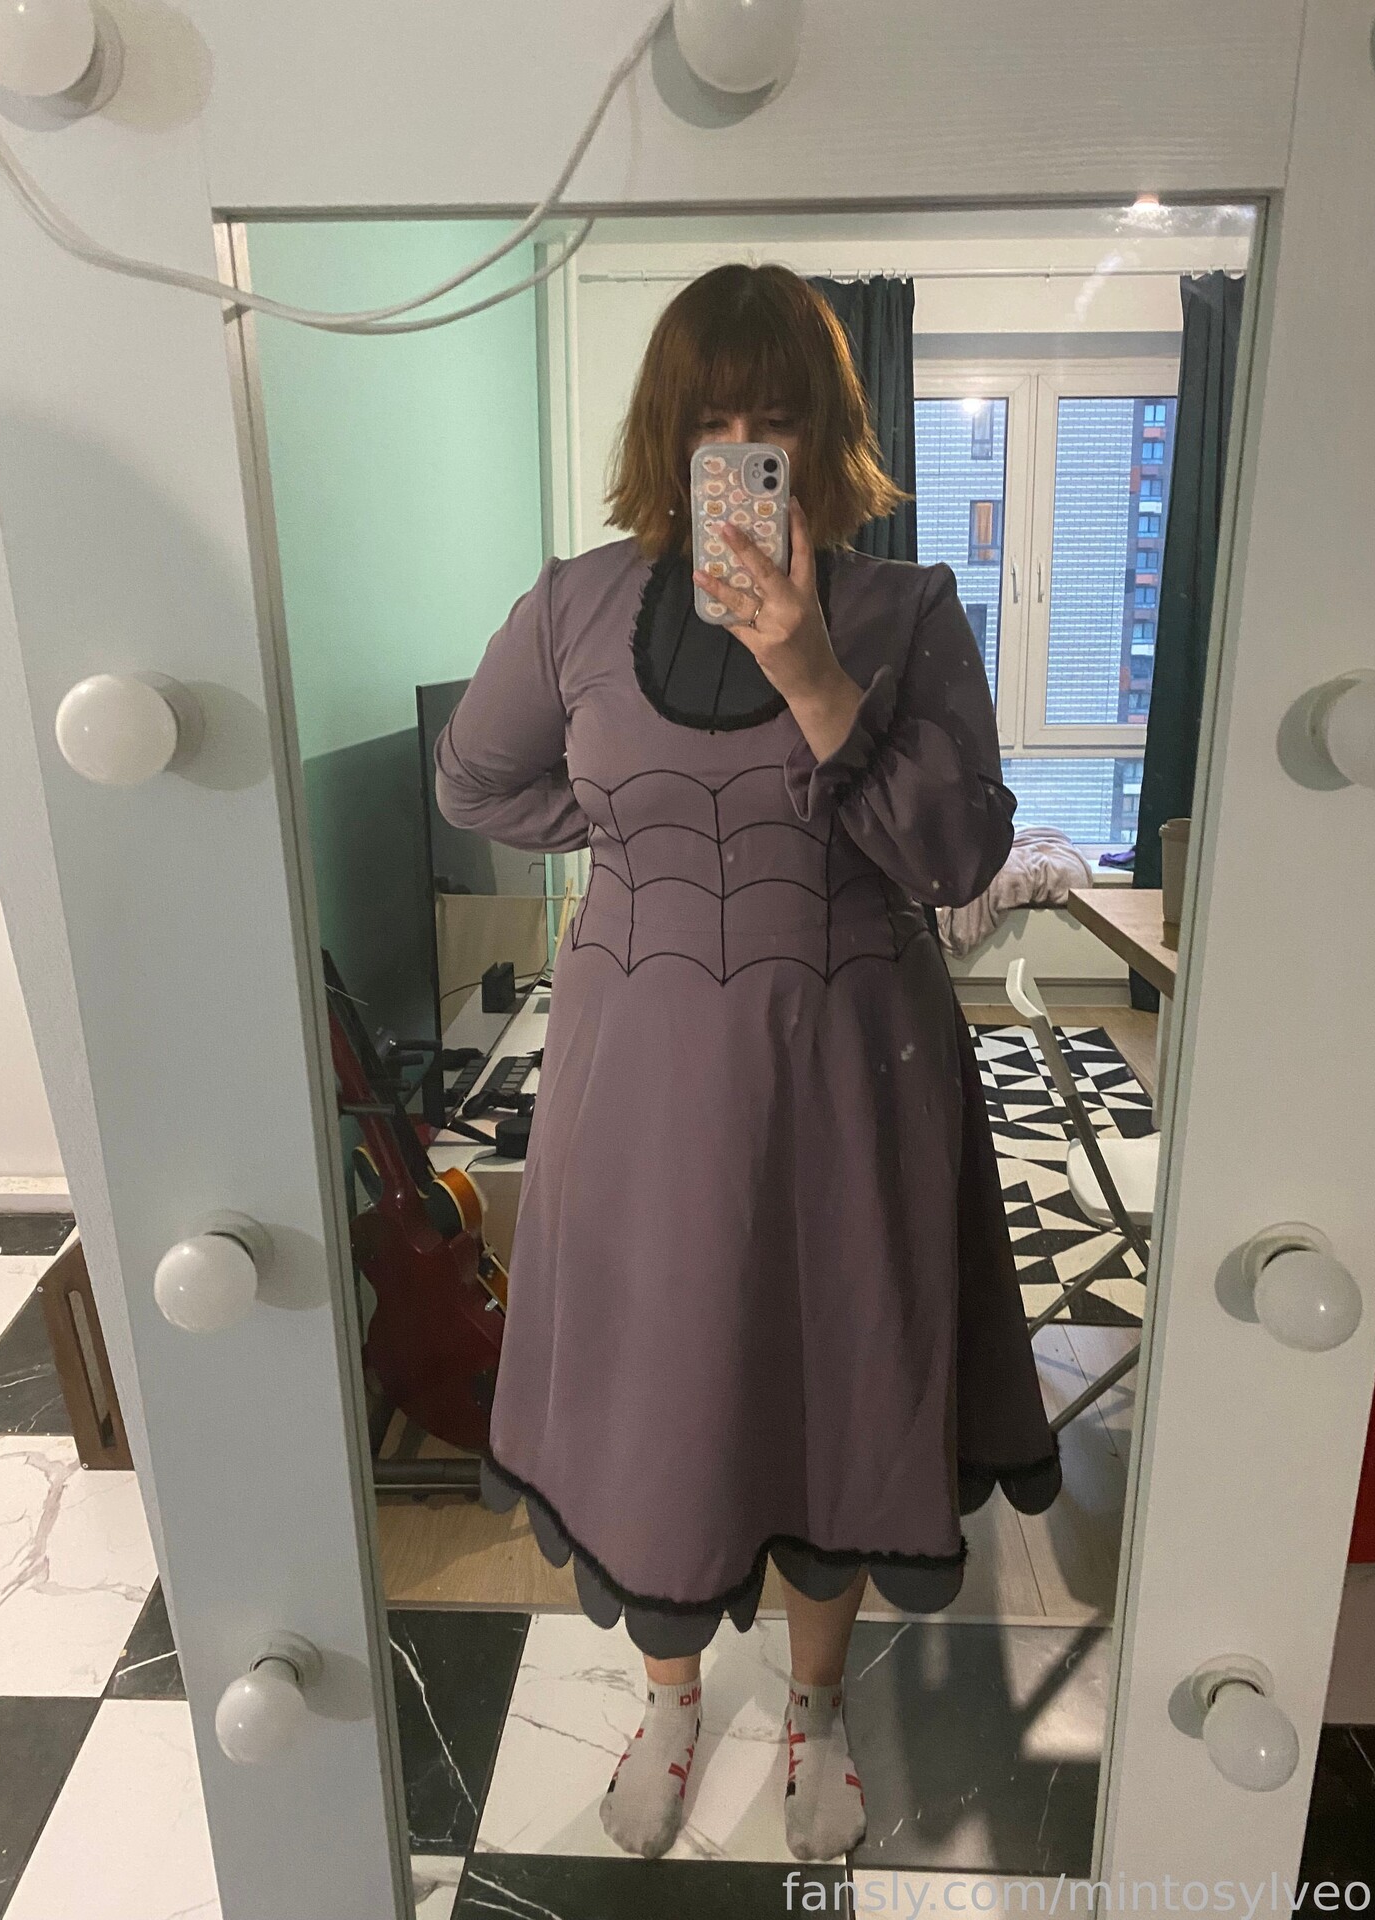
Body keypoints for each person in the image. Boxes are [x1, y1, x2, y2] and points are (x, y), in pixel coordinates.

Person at [434, 262, 1059, 1864]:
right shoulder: (572, 606)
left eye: (772, 420)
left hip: (854, 1078)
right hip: (639, 1081)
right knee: (666, 1376)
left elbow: (958, 857)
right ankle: (667, 1701)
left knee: (835, 1373)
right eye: (712, 421)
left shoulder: (908, 612)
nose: (740, 450)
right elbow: (474, 781)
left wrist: (813, 677)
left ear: (824, 435)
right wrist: (627, 838)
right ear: (668, 432)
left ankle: (818, 1705)